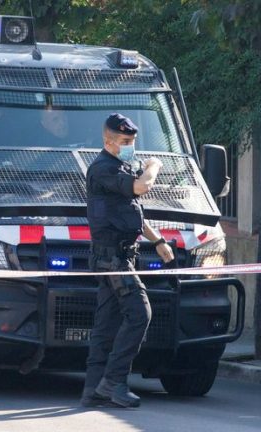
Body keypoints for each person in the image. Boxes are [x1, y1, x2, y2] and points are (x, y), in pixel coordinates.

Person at [80, 113, 175, 408]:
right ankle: (114, 382)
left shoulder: (119, 166)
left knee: (106, 325)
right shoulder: (102, 169)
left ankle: (93, 390)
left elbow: (131, 211)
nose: (130, 146)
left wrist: (157, 241)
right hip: (112, 259)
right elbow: (141, 188)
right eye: (124, 141)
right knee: (140, 314)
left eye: (132, 140)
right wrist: (154, 165)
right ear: (108, 141)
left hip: (118, 256)